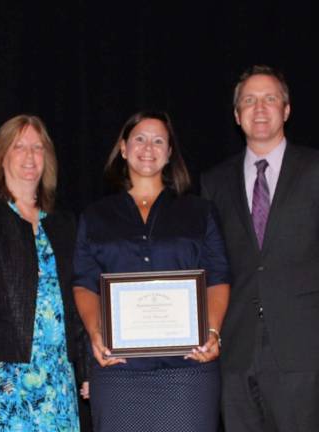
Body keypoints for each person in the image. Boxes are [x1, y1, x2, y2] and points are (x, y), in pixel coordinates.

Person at [201, 65, 319, 432]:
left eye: (270, 99)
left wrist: (303, 314)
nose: (260, 108)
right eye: (249, 101)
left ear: (286, 110)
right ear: (237, 115)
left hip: (302, 348)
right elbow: (214, 266)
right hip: (237, 352)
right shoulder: (213, 181)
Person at [73, 111, 230, 432]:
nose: (148, 147)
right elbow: (84, 282)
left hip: (188, 371)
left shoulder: (199, 211)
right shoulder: (95, 215)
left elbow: (218, 276)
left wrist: (212, 333)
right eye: (140, 139)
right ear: (123, 148)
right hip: (118, 370)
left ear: (170, 152)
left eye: (159, 140)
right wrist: (95, 332)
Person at [0, 114, 87, 431]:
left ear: (47, 158)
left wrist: (87, 371)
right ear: (1, 156)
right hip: (1, 375)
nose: (29, 156)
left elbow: (78, 296)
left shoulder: (63, 222)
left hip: (56, 378)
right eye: (19, 146)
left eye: (37, 147)